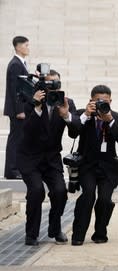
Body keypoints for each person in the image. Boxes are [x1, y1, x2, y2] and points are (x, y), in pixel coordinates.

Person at [17, 69, 80, 246]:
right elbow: (28, 132)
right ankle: (31, 234)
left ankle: (55, 228)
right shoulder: (32, 100)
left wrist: (66, 115)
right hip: (29, 157)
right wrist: (37, 106)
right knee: (36, 191)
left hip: (51, 157)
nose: (52, 88)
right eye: (48, 84)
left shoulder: (67, 103)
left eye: (55, 84)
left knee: (60, 192)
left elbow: (75, 132)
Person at [71, 85, 118, 246]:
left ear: (111, 101)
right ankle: (78, 235)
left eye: (105, 101)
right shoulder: (83, 114)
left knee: (104, 199)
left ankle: (100, 233)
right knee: (88, 195)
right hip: (87, 165)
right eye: (98, 101)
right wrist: (86, 115)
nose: (102, 104)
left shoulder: (117, 117)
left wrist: (110, 121)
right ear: (91, 101)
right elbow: (73, 132)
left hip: (109, 168)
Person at [4, 36, 29, 179]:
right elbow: (15, 89)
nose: (28, 48)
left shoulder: (21, 63)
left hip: (20, 109)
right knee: (15, 139)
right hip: (17, 110)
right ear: (18, 47)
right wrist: (20, 110)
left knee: (19, 139)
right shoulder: (15, 64)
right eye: (26, 45)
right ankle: (12, 170)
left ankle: (15, 169)